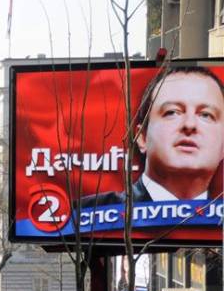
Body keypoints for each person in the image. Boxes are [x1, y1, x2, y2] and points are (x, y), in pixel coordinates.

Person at [83, 66, 224, 206]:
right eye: (172, 112)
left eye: (206, 115)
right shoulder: (83, 214)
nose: (189, 124)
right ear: (142, 137)